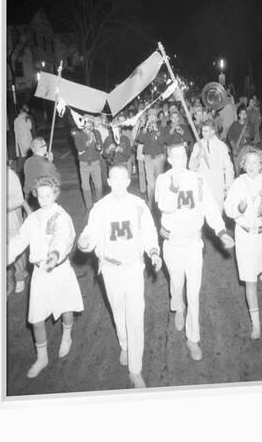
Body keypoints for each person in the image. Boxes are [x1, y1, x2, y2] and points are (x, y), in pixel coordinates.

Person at [77, 164, 162, 389]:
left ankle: (136, 369)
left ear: (128, 181)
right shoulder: (100, 208)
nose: (118, 183)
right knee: (118, 312)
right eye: (114, 178)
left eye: (123, 179)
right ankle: (124, 344)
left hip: (133, 268)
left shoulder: (138, 206)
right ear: (108, 181)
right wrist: (84, 242)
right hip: (111, 270)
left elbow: (149, 233)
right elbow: (91, 233)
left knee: (136, 318)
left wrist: (153, 251)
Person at [155, 143, 234, 361]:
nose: (180, 161)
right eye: (175, 157)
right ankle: (177, 307)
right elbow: (165, 206)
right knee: (177, 284)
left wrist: (221, 231)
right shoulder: (163, 181)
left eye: (183, 156)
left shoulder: (198, 179)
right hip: (172, 245)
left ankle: (193, 339)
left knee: (194, 294)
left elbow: (209, 207)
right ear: (169, 159)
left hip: (193, 244)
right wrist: (174, 185)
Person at [8, 175, 84, 378]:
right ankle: (42, 358)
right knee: (36, 318)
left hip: (59, 270)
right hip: (40, 274)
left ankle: (67, 335)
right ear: (36, 196)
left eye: (48, 196)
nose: (43, 200)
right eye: (40, 196)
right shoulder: (32, 219)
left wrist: (55, 254)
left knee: (66, 307)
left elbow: (63, 237)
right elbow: (18, 240)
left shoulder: (61, 216)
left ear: (55, 194)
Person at [224, 147, 262, 339]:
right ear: (242, 165)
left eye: (255, 162)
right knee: (251, 281)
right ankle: (256, 325)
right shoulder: (237, 184)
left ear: (261, 165)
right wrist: (239, 209)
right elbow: (228, 209)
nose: (251, 166)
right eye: (247, 162)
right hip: (245, 237)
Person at [189, 119, 234, 212]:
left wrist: (228, 185)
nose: (202, 133)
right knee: (201, 214)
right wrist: (198, 156)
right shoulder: (198, 145)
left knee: (217, 214)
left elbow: (228, 167)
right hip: (202, 186)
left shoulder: (221, 146)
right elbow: (191, 167)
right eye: (202, 131)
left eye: (205, 131)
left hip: (218, 185)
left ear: (213, 131)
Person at [7, 164, 32, 295]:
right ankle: (8, 278)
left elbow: (19, 199)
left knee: (15, 245)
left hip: (10, 219)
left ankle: (20, 275)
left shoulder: (9, 175)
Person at [72, 115, 103, 212]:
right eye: (88, 123)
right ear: (84, 124)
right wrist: (88, 142)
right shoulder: (78, 134)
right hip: (84, 164)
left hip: (95, 162)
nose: (90, 125)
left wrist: (98, 145)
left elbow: (99, 148)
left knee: (98, 185)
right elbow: (80, 148)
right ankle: (89, 206)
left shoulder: (97, 133)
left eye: (92, 123)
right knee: (85, 186)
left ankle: (100, 205)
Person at [137, 109, 166, 207]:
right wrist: (145, 127)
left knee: (160, 181)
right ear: (147, 118)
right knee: (150, 182)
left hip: (159, 157)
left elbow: (163, 141)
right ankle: (151, 203)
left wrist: (157, 130)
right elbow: (140, 140)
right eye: (150, 116)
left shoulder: (161, 128)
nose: (152, 117)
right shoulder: (144, 129)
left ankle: (160, 202)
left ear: (157, 118)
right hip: (148, 157)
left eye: (154, 116)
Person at [23, 137, 60, 202]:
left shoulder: (27, 161)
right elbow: (57, 180)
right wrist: (50, 162)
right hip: (42, 199)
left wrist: (47, 161)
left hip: (29, 198)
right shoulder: (48, 165)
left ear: (32, 149)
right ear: (44, 147)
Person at [227, 106, 255, 176]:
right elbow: (230, 137)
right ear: (238, 115)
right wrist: (234, 148)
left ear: (246, 115)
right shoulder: (234, 124)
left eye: (244, 113)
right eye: (241, 113)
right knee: (237, 171)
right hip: (237, 150)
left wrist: (248, 134)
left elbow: (253, 136)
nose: (243, 115)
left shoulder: (249, 124)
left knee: (247, 169)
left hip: (246, 149)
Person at [94, 114, 110, 187]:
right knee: (95, 172)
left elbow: (106, 142)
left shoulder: (104, 130)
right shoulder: (92, 129)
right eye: (94, 120)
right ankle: (98, 186)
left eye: (96, 120)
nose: (94, 122)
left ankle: (105, 186)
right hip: (94, 154)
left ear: (100, 121)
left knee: (103, 171)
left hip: (101, 154)